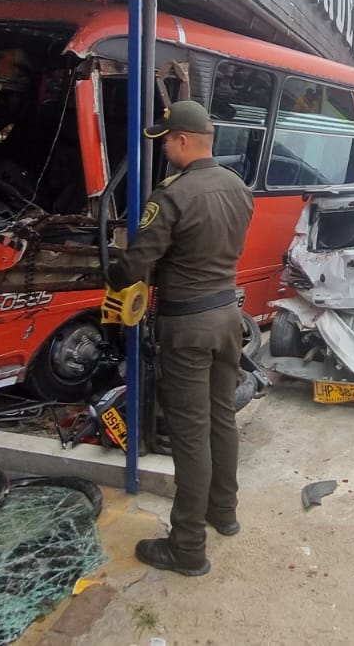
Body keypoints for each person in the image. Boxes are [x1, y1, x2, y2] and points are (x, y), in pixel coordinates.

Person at [108, 100, 255, 576]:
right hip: (227, 318)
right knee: (221, 418)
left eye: (167, 139)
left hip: (187, 327)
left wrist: (112, 269)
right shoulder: (238, 187)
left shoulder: (170, 196)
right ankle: (224, 513)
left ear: (184, 140)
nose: (165, 148)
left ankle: (188, 547)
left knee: (190, 435)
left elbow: (136, 264)